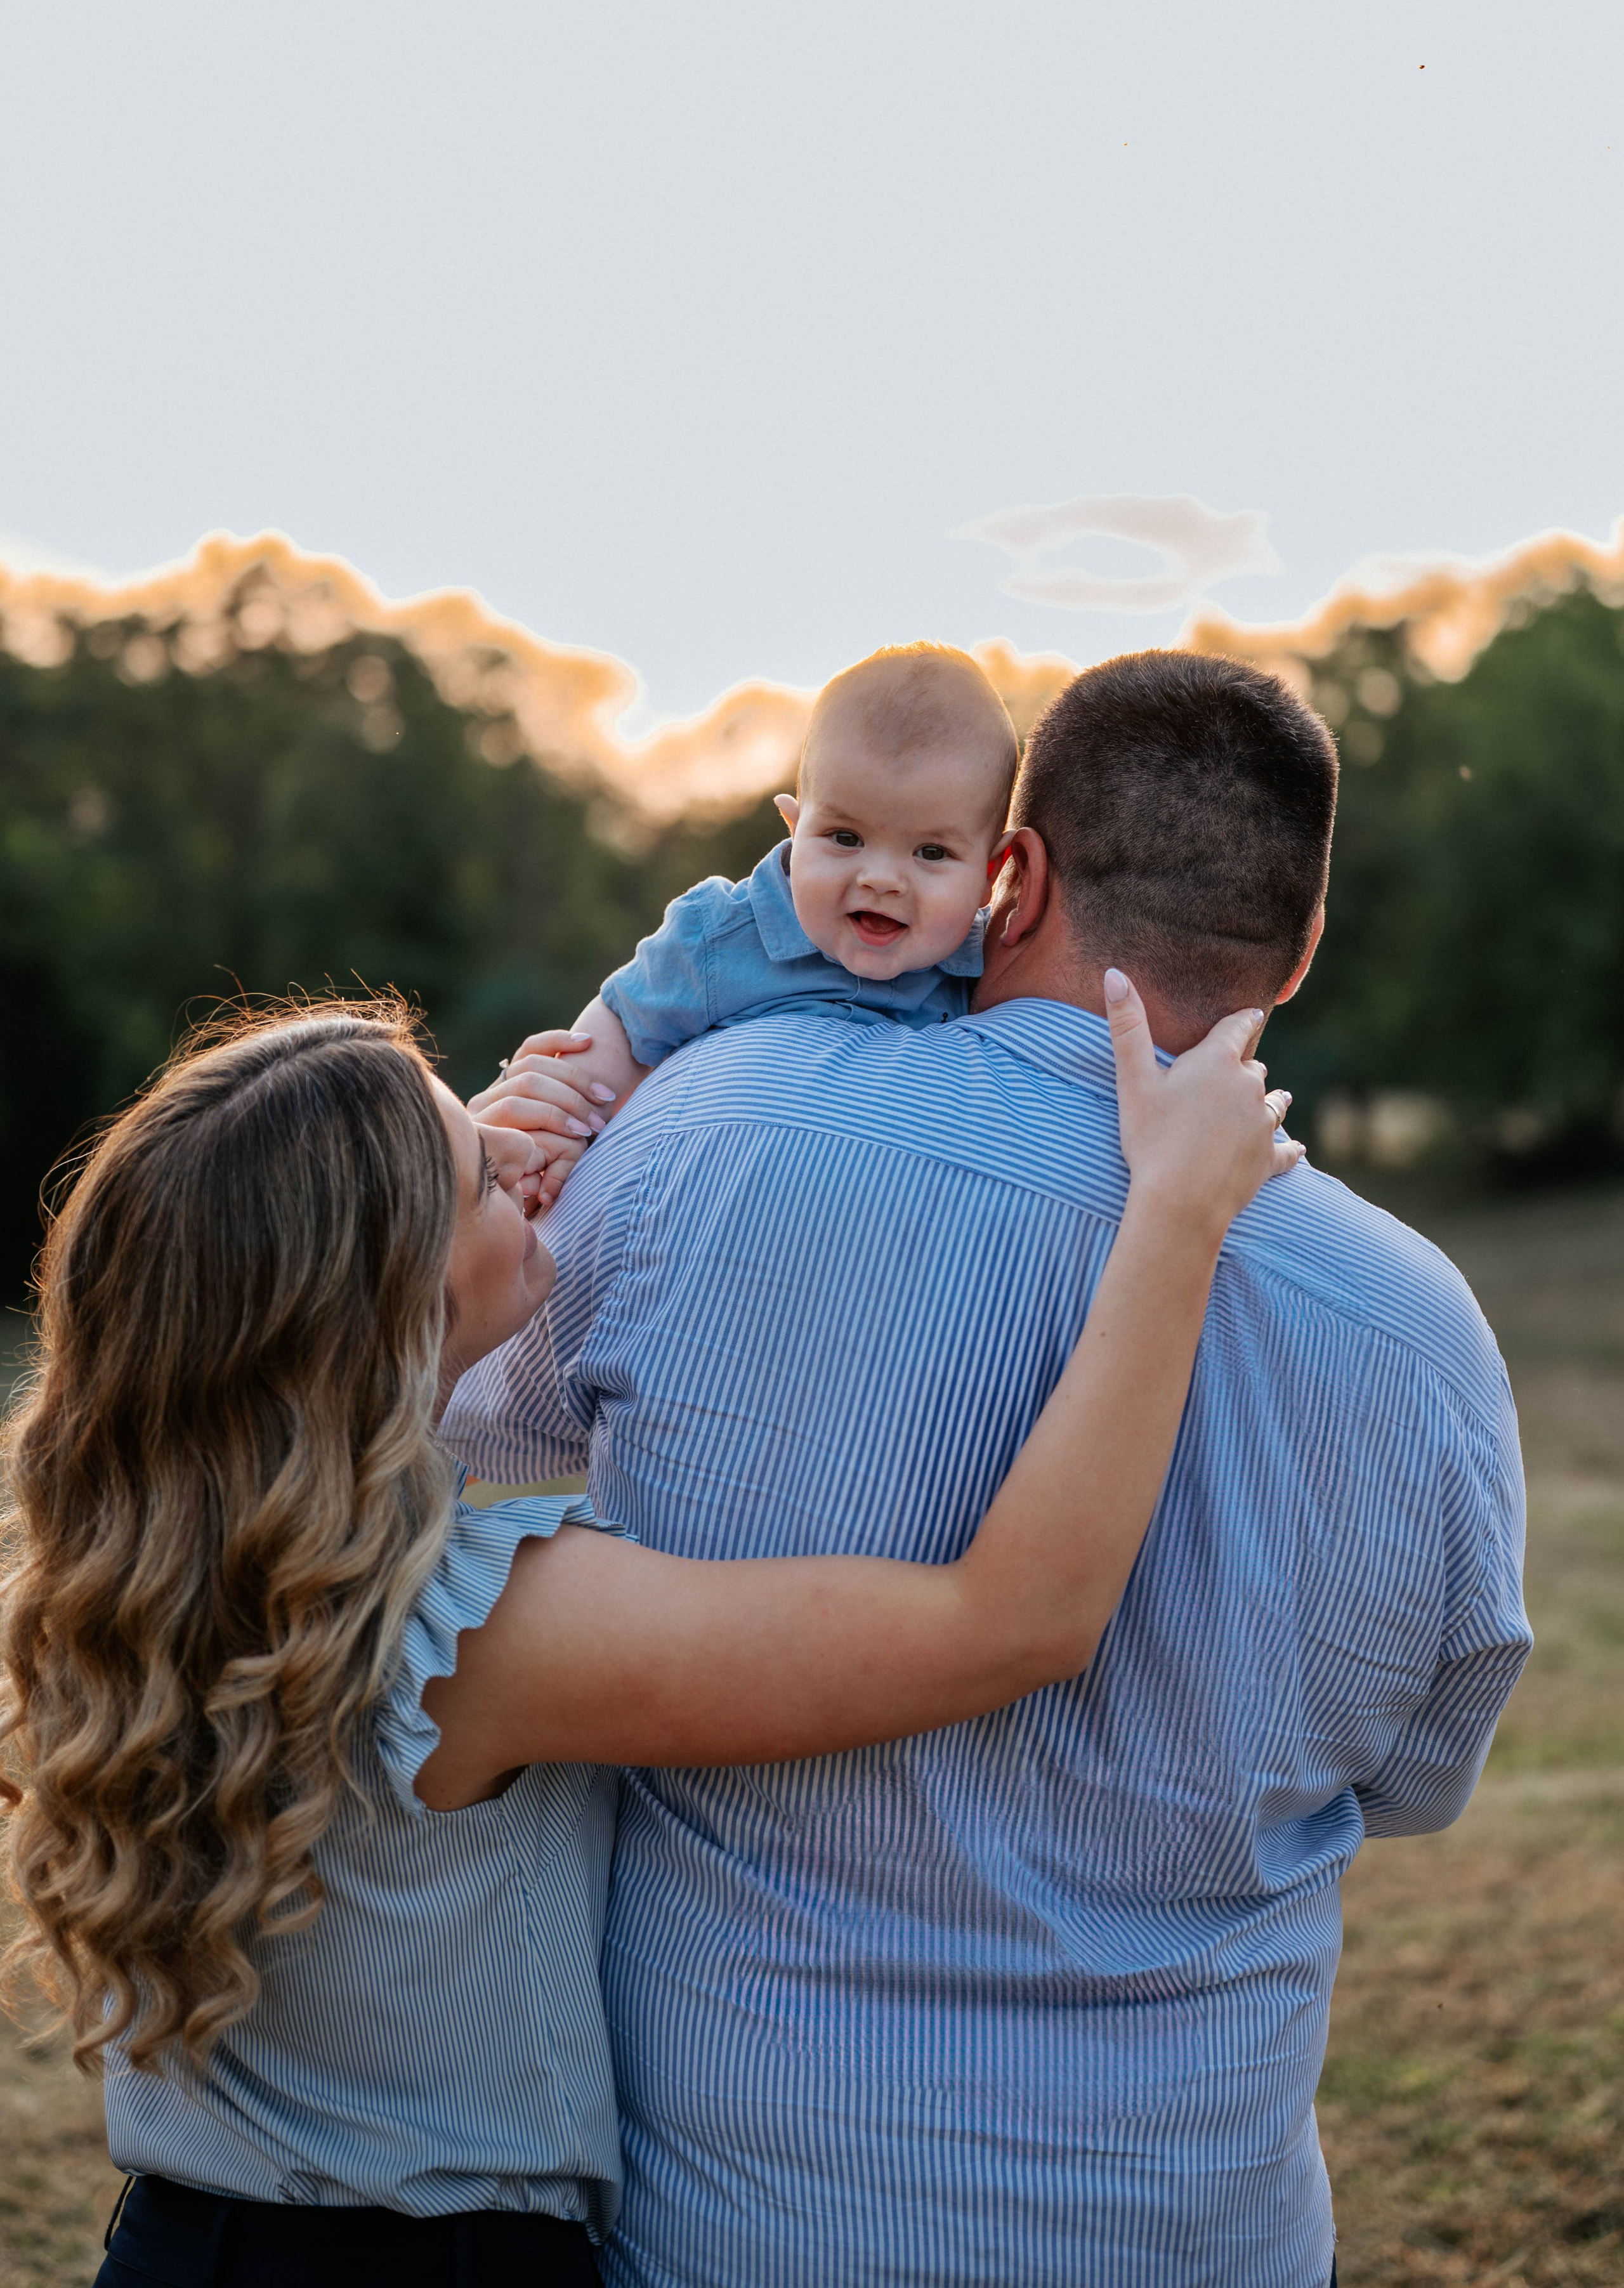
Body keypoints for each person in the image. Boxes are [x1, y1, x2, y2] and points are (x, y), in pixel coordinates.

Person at [453, 648, 1531, 2288]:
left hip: (743, 2229)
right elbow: (1416, 1780)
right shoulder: (1420, 1334)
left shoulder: (699, 1134)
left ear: (1011, 873)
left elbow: (464, 1440)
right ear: (1301, 945)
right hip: (1197, 2236)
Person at [0, 979, 1293, 2288]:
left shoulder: (117, 1581)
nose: (523, 1158)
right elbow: (1012, 1624)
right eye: (479, 1171)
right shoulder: (478, 1635)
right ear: (390, 1302)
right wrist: (1179, 1211)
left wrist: (452, 1179)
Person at [500, 643, 1022, 1212]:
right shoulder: (722, 934)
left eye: (931, 852)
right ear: (795, 829)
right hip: (708, 1203)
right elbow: (624, 1024)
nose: (880, 879)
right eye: (845, 838)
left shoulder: (989, 970)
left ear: (990, 873)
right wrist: (566, 1127)